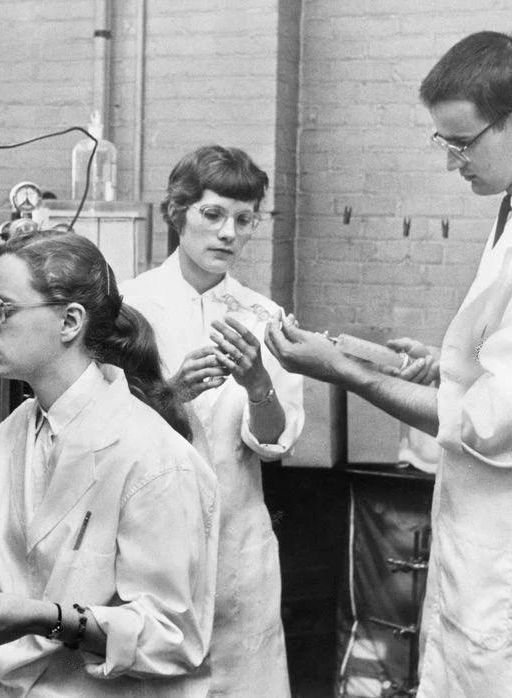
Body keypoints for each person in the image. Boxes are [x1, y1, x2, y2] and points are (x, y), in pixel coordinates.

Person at [266, 31, 512, 697]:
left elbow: (494, 422)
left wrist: (345, 372)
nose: (451, 162)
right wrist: (449, 363)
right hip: (488, 546)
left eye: (461, 143)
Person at [0, 230, 219, 696]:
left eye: (3, 309)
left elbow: (174, 638)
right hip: (1, 679)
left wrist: (47, 619)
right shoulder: (14, 433)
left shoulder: (156, 458)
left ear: (70, 322)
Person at [121, 145, 305, 697]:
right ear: (178, 213)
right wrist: (170, 394)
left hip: (236, 547)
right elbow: (100, 432)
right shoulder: (130, 306)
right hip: (146, 542)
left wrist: (257, 383)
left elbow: (276, 444)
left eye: (244, 219)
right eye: (212, 214)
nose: (229, 232)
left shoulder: (264, 318)